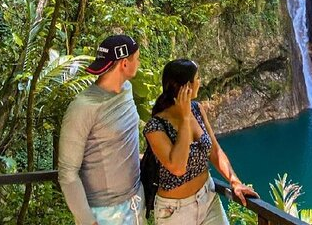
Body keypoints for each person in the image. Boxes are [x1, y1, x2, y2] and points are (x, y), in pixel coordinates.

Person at [143, 59, 257, 224]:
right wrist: (184, 118)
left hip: (208, 197)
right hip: (174, 211)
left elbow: (215, 151)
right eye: (197, 78)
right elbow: (178, 167)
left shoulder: (196, 109)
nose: (200, 82)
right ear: (186, 86)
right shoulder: (155, 126)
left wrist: (235, 181)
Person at [58, 34, 145, 225]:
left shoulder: (127, 89)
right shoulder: (83, 107)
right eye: (137, 58)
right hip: (105, 214)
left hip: (136, 204)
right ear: (124, 64)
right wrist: (88, 221)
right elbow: (67, 173)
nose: (139, 63)